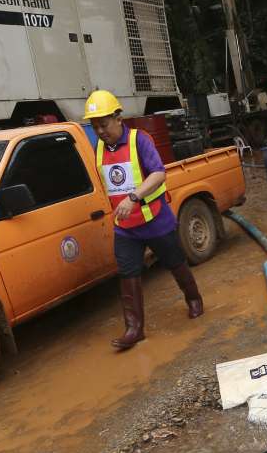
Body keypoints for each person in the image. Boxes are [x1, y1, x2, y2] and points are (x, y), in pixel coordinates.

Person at [83, 90, 203, 351]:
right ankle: (134, 329)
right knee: (128, 274)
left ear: (118, 118)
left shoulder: (140, 140)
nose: (100, 131)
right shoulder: (99, 148)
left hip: (154, 218)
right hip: (125, 228)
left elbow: (159, 173)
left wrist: (133, 197)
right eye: (95, 127)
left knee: (175, 262)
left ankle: (193, 299)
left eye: (103, 124)